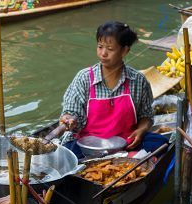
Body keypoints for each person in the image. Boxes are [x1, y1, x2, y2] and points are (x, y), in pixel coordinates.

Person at [59, 21, 168, 159]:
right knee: (65, 156)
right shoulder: (84, 78)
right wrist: (69, 119)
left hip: (126, 143)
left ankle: (128, 156)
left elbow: (146, 116)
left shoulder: (138, 80)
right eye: (100, 47)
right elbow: (72, 113)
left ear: (124, 50)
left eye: (110, 49)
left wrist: (141, 130)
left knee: (161, 143)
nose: (103, 53)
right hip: (89, 147)